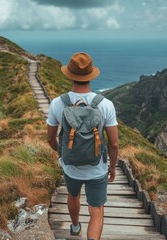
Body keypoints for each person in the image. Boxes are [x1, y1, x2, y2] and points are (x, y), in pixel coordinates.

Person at [47, 52, 119, 240]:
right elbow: (114, 143)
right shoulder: (105, 104)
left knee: (73, 195)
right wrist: (111, 167)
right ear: (91, 75)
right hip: (97, 168)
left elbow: (50, 139)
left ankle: (75, 226)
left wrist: (63, 154)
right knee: (96, 210)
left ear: (69, 75)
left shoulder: (57, 103)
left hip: (71, 166)